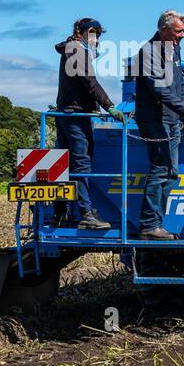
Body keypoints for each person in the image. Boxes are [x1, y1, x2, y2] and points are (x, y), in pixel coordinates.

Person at [133, 10, 184, 240]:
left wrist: (182, 114)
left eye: (183, 31)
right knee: (160, 170)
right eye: (178, 31)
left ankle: (156, 223)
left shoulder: (174, 49)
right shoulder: (148, 52)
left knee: (171, 173)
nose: (182, 36)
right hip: (154, 119)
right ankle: (149, 225)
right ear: (164, 29)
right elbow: (158, 88)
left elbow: (178, 84)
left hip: (171, 119)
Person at [55, 18, 123, 229]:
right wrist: (109, 106)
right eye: (92, 33)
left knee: (64, 165)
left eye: (99, 34)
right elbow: (89, 82)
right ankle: (85, 213)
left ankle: (61, 212)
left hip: (70, 113)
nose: (96, 38)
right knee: (81, 163)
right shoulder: (76, 50)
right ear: (80, 32)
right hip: (75, 115)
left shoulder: (75, 49)